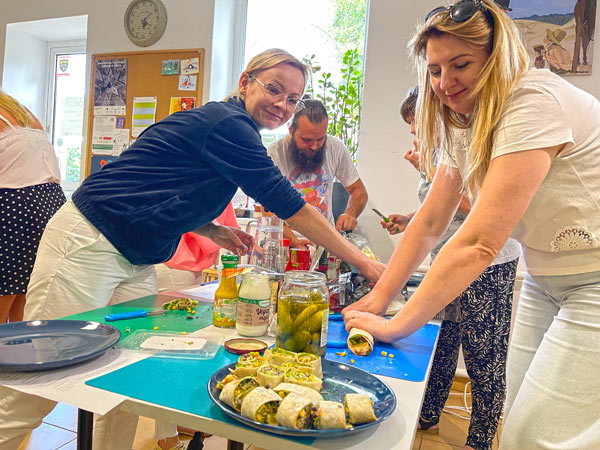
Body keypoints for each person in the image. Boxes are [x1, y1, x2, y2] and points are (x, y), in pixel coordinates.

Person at [0, 48, 384, 450]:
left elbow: (158, 182)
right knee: (41, 378)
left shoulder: (226, 126)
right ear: (244, 82)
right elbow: (291, 205)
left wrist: (211, 229)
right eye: (274, 89)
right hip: (89, 240)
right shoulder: (229, 125)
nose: (282, 105)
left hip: (134, 255)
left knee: (123, 376)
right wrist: (363, 263)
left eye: (291, 99)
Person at [344, 1, 600, 449]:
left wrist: (397, 323)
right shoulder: (467, 120)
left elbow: (480, 242)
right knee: (518, 417)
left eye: (460, 64)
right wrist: (379, 298)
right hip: (546, 280)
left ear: (495, 57)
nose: (445, 82)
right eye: (436, 70)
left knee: (536, 436)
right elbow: (429, 222)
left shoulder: (532, 99)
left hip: (593, 281)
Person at [382, 86, 518, 449]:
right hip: (446, 261)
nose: (414, 134)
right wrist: (407, 218)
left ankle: (481, 439)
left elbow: (480, 206)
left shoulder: (476, 144)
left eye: (416, 125)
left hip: (488, 262)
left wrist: (428, 170)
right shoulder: (441, 154)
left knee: (483, 354)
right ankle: (428, 414)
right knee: (441, 341)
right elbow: (435, 214)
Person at [0, 90, 66, 324]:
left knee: (6, 287)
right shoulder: (22, 111)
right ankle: (20, 351)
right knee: (25, 288)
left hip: (14, 204)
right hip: (49, 202)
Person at [268, 99, 368, 248]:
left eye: (320, 139)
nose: (314, 146)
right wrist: (294, 241)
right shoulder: (273, 154)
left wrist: (350, 213)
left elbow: (359, 191)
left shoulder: (336, 148)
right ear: (291, 130)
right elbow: (267, 210)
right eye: (306, 140)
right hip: (286, 242)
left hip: (325, 242)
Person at [155, 203, 239, 292]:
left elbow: (232, 230)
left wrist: (244, 243)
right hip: (176, 261)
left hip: (198, 263)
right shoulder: (191, 191)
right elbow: (192, 224)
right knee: (175, 303)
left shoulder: (225, 194)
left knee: (191, 302)